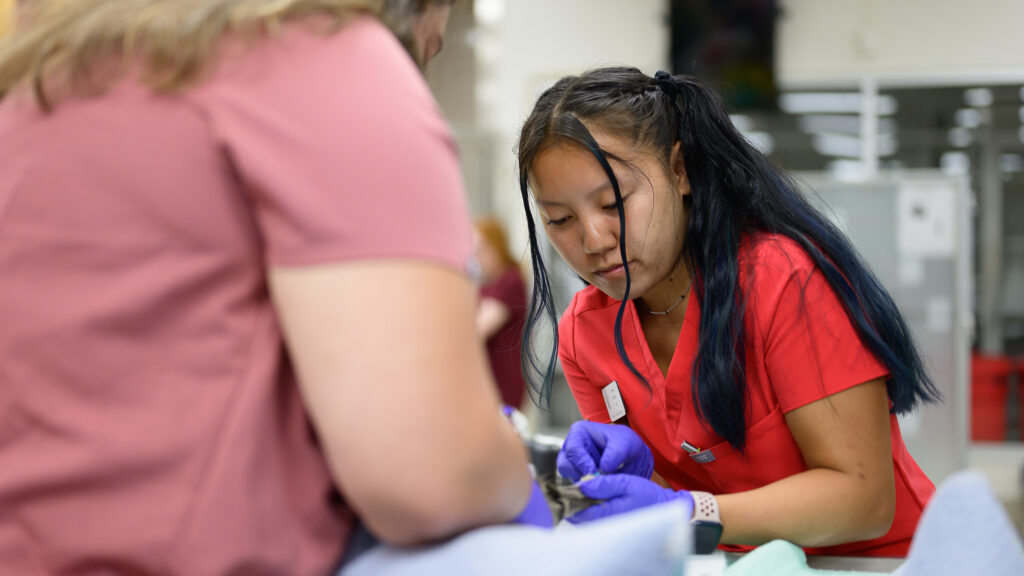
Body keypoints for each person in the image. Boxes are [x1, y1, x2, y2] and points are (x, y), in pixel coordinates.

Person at [0, 1, 550, 574]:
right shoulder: (321, 59)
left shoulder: (48, 76)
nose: (426, 53)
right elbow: (433, 476)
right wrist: (511, 462)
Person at [515, 67, 939, 556]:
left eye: (613, 203)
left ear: (679, 171)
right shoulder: (585, 333)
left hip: (877, 564)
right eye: (561, 220)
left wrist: (690, 512)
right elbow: (657, 506)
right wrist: (625, 480)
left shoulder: (782, 282)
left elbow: (863, 500)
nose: (593, 240)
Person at [473, 217, 528, 409]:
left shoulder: (509, 279)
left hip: (503, 379)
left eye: (481, 249)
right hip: (487, 378)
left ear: (496, 247)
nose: (476, 257)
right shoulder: (483, 285)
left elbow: (479, 329)